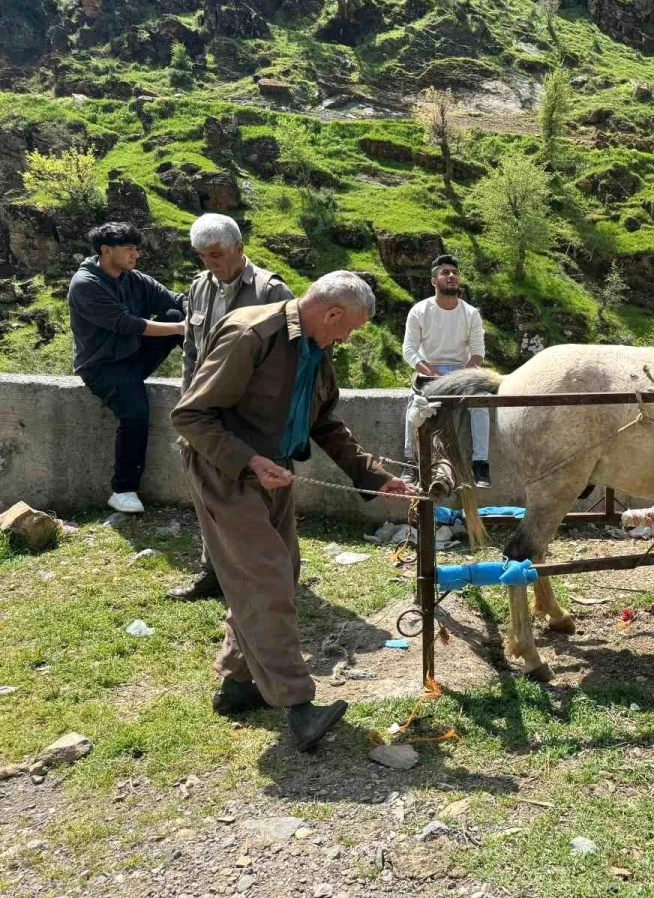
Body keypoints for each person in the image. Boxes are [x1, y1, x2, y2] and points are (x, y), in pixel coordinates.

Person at [172, 271, 411, 752]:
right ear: (332, 313)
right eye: (350, 328)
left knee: (277, 574)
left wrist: (372, 475)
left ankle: (240, 685)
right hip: (227, 472)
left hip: (272, 470)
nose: (348, 338)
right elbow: (190, 415)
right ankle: (300, 708)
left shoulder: (316, 351)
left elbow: (324, 422)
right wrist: (250, 461)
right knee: (265, 577)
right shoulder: (250, 335)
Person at [168, 213, 294, 602]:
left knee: (262, 499)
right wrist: (190, 405)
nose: (210, 263)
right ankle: (216, 572)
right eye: (202, 255)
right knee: (209, 498)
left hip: (255, 417)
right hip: (208, 416)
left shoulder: (272, 292)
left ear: (240, 248)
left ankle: (274, 577)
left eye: (217, 254)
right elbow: (191, 351)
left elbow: (290, 361)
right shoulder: (199, 288)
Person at [68, 222, 185, 514]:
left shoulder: (133, 278)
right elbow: (125, 323)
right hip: (103, 367)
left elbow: (173, 300)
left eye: (137, 248)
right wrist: (180, 326)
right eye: (128, 248)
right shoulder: (85, 284)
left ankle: (213, 375)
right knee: (135, 414)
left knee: (176, 312)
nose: (136, 254)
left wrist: (206, 310)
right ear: (106, 251)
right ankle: (122, 490)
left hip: (132, 357)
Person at [401, 254, 490, 487]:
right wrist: (429, 371)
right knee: (416, 403)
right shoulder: (420, 311)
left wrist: (461, 377)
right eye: (445, 273)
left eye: (454, 273)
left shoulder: (471, 313)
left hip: (462, 371)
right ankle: (410, 463)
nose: (451, 276)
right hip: (429, 370)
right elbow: (409, 350)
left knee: (481, 402)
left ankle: (481, 465)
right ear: (434, 281)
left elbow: (478, 353)